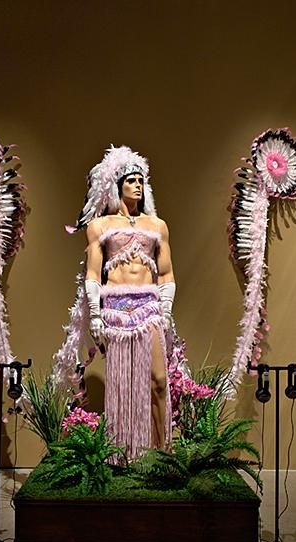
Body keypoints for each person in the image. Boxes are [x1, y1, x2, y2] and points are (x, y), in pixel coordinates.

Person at [66, 145, 176, 459]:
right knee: (122, 387)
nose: (137, 185)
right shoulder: (100, 226)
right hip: (115, 310)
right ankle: (125, 454)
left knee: (159, 381)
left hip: (149, 308)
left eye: (141, 180)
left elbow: (166, 273)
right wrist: (95, 314)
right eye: (131, 180)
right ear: (117, 186)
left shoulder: (157, 226)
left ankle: (163, 451)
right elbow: (92, 273)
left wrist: (166, 309)